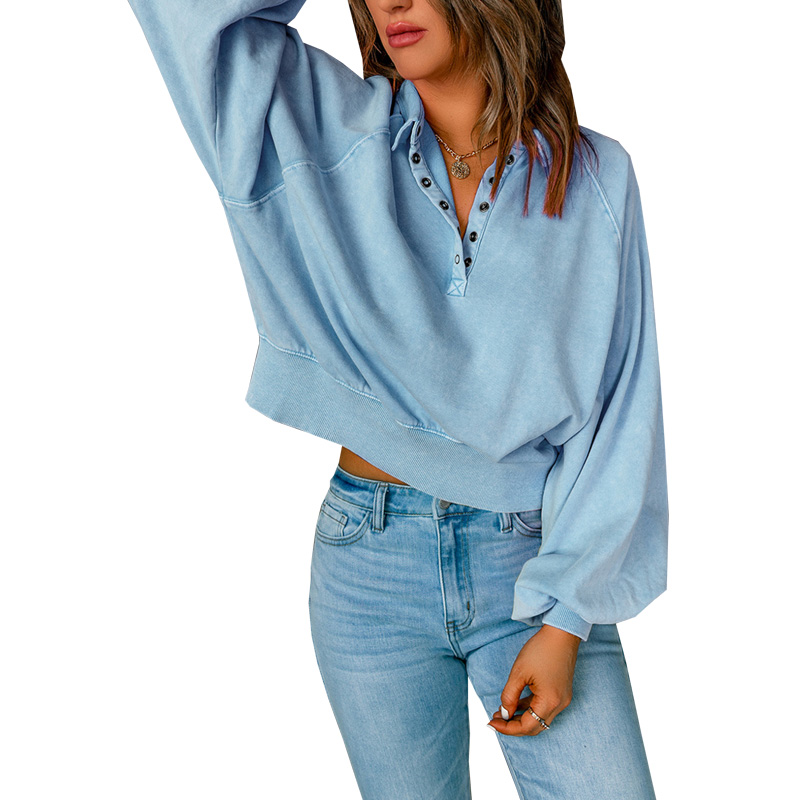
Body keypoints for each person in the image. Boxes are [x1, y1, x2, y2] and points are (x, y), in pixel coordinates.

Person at [125, 0, 668, 797]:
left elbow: (621, 409)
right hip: (368, 566)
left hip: (531, 559)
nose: (392, 3)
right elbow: (190, 18)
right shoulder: (318, 127)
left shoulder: (594, 177)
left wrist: (564, 619)